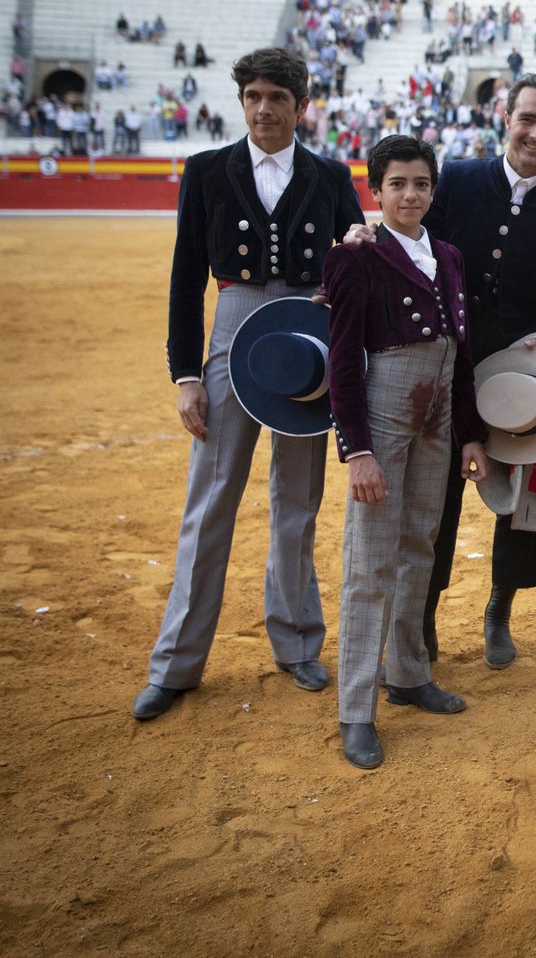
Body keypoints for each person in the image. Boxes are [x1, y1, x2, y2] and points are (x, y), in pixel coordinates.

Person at [132, 47, 364, 721]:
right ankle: (176, 663)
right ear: (242, 102)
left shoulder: (329, 174)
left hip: (308, 329)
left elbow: (354, 261)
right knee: (209, 501)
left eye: (277, 98)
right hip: (233, 324)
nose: (264, 110)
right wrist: (186, 374)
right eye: (254, 97)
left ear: (302, 106)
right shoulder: (207, 169)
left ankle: (297, 644)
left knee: (298, 499)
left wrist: (355, 252)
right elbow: (185, 277)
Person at [343, 73, 536, 669]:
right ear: (505, 119)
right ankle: (421, 618)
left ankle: (499, 608)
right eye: (526, 118)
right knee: (435, 499)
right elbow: (407, 239)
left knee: (522, 497)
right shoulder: (454, 179)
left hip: (523, 377)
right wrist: (366, 236)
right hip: (441, 362)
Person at [324, 136, 490, 769]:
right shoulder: (355, 257)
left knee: (421, 542)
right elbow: (343, 362)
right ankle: (355, 709)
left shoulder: (448, 256)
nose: (410, 195)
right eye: (397, 184)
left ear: (432, 190)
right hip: (385, 412)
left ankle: (408, 673)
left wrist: (468, 433)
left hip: (438, 412)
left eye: (421, 184)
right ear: (376, 191)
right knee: (370, 559)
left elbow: (461, 354)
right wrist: (357, 452)